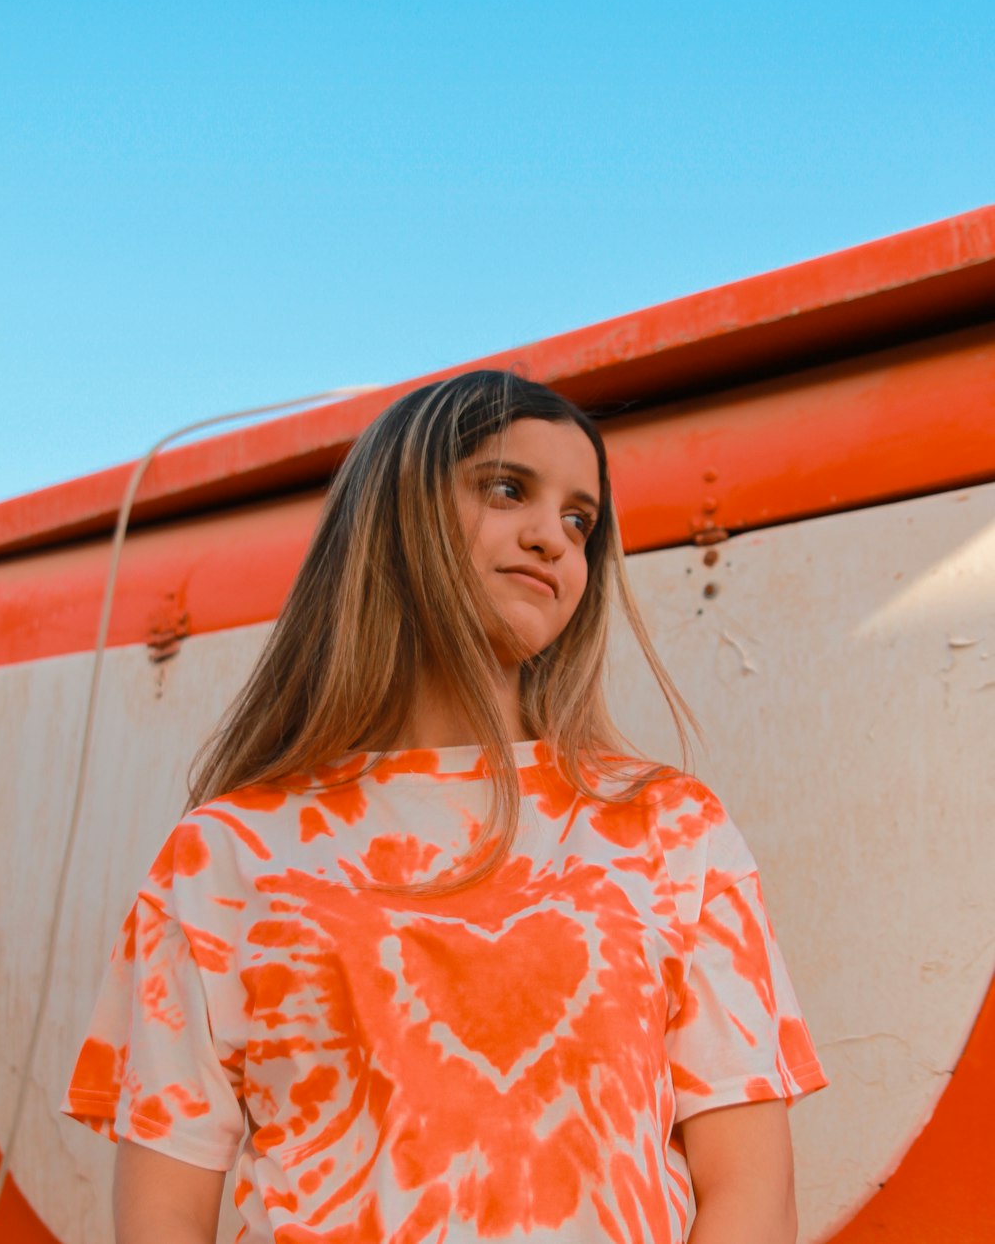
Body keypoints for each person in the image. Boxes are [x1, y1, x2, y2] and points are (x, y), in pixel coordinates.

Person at [62, 370, 827, 1244]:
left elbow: (753, 1196)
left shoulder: (669, 829)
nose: (553, 539)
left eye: (580, 520)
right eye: (508, 489)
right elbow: (164, 1213)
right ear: (399, 516)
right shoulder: (224, 855)